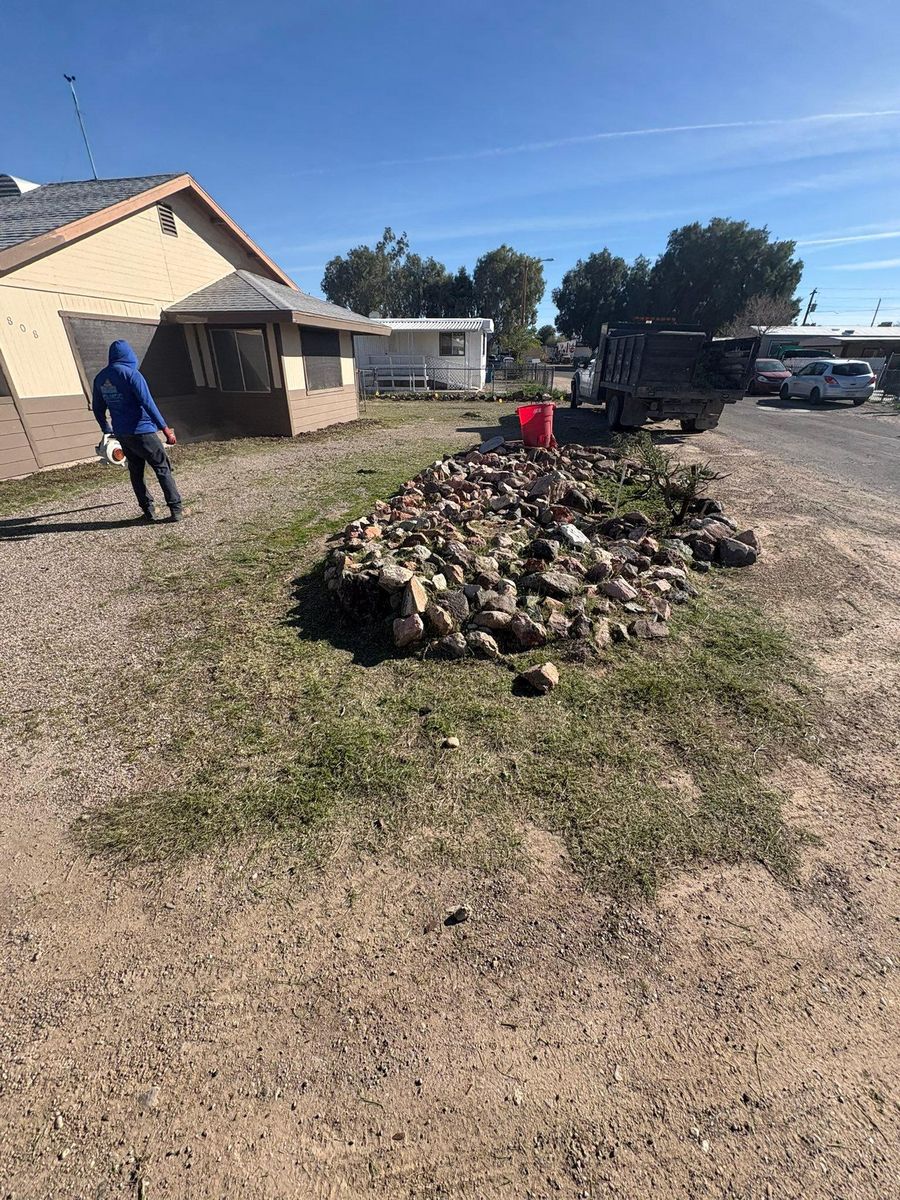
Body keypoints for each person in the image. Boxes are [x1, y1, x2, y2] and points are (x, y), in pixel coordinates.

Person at [91, 340, 184, 523]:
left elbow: (97, 408)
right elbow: (148, 403)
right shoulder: (132, 375)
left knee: (136, 471)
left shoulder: (101, 378)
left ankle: (148, 510)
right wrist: (165, 429)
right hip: (144, 431)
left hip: (123, 434)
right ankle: (175, 509)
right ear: (129, 355)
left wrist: (106, 429)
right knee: (162, 468)